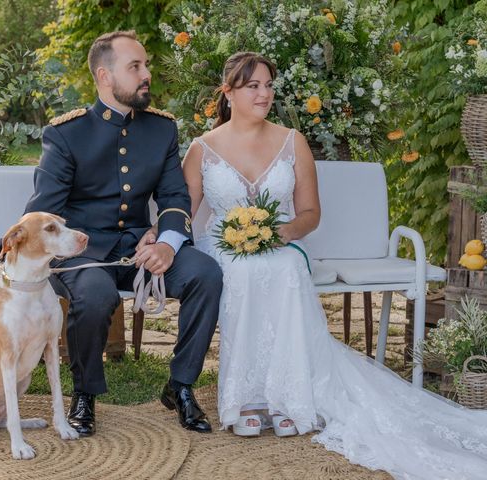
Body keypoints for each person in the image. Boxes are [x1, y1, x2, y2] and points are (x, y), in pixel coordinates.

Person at [174, 51, 487, 479]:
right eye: (254, 86)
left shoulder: (291, 140)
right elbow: (184, 213)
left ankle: (287, 397)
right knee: (244, 272)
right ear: (227, 93)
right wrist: (170, 243)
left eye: (268, 85)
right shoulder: (202, 148)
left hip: (282, 241)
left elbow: (310, 214)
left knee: (283, 269)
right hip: (222, 245)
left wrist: (279, 233)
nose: (265, 93)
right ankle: (246, 399)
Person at [0, 31, 222, 437]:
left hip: (143, 249)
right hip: (83, 253)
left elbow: (175, 196)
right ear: (105, 76)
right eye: (136, 67)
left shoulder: (161, 130)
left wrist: (167, 241)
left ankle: (180, 386)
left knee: (206, 274)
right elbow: (44, 211)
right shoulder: (67, 134)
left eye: (145, 65)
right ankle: (85, 393)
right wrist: (10, 270)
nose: (147, 74)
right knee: (95, 295)